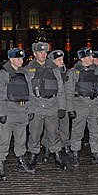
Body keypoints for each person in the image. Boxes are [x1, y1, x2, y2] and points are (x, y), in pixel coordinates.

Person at [0, 48, 35, 180]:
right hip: (9, 111)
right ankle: (0, 164)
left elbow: (30, 93)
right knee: (4, 140)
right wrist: (1, 113)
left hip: (22, 112)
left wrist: (31, 109)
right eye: (18, 58)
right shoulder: (3, 74)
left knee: (21, 140)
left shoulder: (25, 73)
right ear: (11, 59)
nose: (20, 61)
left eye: (22, 58)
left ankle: (21, 162)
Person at [26, 42, 67, 170]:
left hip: (52, 104)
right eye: (40, 52)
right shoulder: (28, 69)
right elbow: (28, 91)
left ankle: (57, 156)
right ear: (35, 54)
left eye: (45, 52)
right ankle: (33, 156)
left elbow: (60, 89)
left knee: (54, 133)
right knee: (34, 134)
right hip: (36, 105)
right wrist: (29, 109)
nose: (43, 55)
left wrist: (62, 107)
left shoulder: (54, 68)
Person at [66, 47, 98, 166]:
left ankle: (96, 154)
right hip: (80, 104)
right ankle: (75, 154)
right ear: (83, 58)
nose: (92, 59)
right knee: (77, 131)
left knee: (95, 131)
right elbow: (69, 92)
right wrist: (70, 109)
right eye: (89, 57)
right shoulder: (73, 72)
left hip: (95, 104)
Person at [46, 50, 70, 154]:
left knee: (65, 126)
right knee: (51, 128)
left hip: (65, 103)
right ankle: (48, 147)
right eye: (59, 60)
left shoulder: (66, 72)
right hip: (52, 103)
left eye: (62, 59)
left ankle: (65, 145)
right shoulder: (48, 72)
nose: (62, 61)